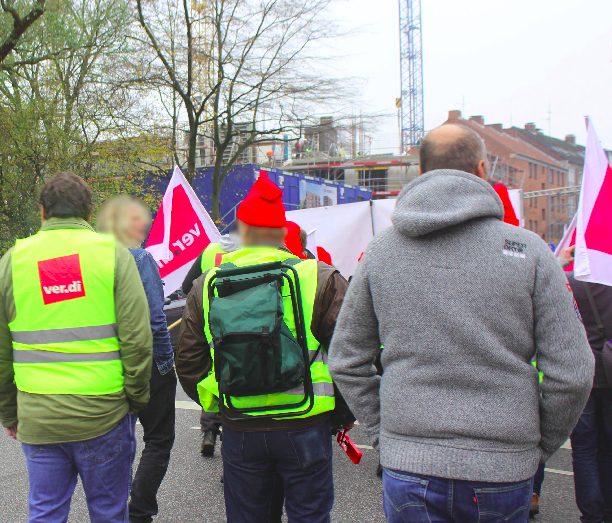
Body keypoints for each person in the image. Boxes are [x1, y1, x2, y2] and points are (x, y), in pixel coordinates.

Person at [328, 124, 594, 523]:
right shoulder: (531, 252)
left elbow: (346, 359)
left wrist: (387, 434)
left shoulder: (381, 252)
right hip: (503, 469)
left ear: (420, 171)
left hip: (410, 465)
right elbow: (573, 372)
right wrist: (536, 447)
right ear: (483, 169)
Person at [176, 172, 352, 523]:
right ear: (282, 230)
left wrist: (220, 404)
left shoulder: (206, 284)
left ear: (241, 230)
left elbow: (189, 360)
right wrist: (340, 416)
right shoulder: (321, 277)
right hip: (306, 423)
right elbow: (352, 355)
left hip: (241, 426)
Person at [0, 172, 153, 523]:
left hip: (40, 418)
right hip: (104, 414)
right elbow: (137, 339)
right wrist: (135, 399)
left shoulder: (13, 261)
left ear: (42, 212)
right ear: (88, 213)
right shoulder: (115, 256)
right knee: (108, 512)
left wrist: (9, 413)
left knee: (46, 514)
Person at [96, 196, 176, 523]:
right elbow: (156, 319)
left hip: (110, 366)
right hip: (147, 362)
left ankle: (116, 509)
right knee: (158, 439)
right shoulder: (140, 258)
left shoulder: (93, 260)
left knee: (121, 442)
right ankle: (140, 510)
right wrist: (166, 363)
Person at [559, 246, 612, 523]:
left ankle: (591, 515)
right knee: (608, 447)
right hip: (610, 371)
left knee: (583, 448)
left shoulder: (570, 282)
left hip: (582, 373)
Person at [181, 228, 242, 456]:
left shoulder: (209, 250)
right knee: (233, 374)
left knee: (212, 375)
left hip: (209, 319)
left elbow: (188, 286)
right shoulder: (249, 250)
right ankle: (231, 438)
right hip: (239, 319)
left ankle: (208, 431)